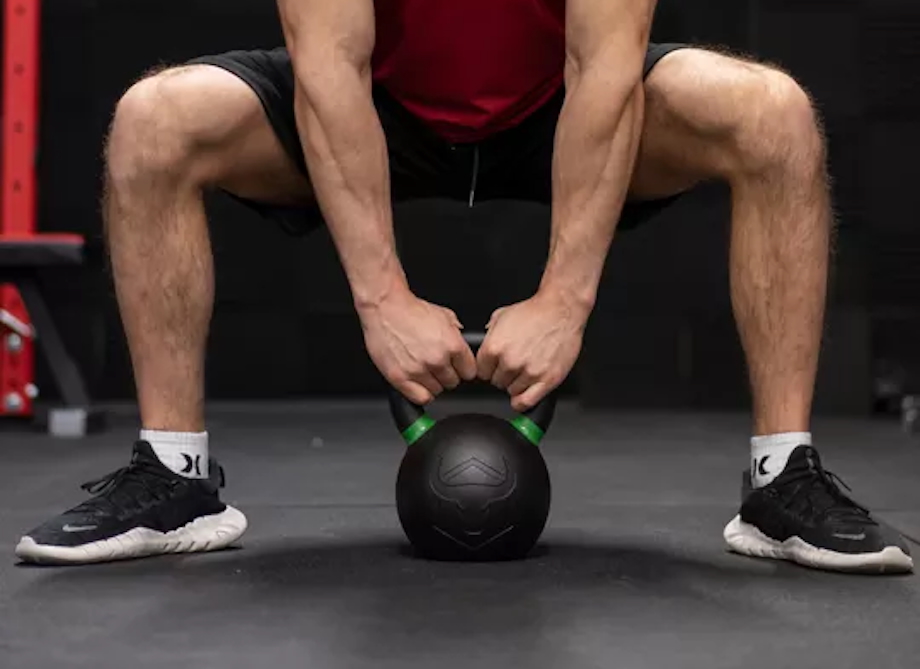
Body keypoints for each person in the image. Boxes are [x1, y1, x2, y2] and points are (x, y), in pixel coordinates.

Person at [15, 0, 912, 573]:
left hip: (554, 100)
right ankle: (175, 476)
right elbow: (328, 65)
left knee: (774, 117)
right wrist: (382, 298)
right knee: (154, 121)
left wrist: (565, 297)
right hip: (383, 102)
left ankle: (781, 475)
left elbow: (606, 64)